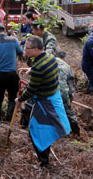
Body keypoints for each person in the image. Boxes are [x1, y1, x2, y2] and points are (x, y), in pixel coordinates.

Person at [17, 36, 71, 168]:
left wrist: (20, 99)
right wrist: (30, 70)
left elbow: (31, 90)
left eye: (27, 48)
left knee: (37, 131)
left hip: (46, 103)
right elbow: (43, 72)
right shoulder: (49, 57)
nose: (25, 50)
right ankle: (44, 156)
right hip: (53, 95)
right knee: (45, 129)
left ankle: (44, 162)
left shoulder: (38, 67)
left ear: (36, 49)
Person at [55, 50, 80, 137]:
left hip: (49, 91)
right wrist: (69, 99)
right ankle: (76, 132)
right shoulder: (67, 67)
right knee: (69, 112)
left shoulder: (48, 62)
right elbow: (71, 87)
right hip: (62, 93)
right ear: (64, 58)